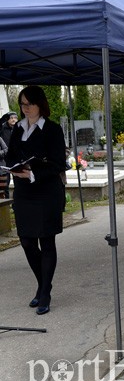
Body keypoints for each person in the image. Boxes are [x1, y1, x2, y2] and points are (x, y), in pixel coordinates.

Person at [6, 87, 66, 315]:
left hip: (46, 191)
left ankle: (45, 293)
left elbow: (59, 162)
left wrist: (33, 173)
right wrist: (14, 167)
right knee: (27, 241)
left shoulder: (52, 129)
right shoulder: (18, 128)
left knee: (46, 242)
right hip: (23, 192)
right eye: (22, 104)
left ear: (40, 104)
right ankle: (43, 284)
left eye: (29, 103)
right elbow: (11, 155)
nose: (25, 108)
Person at [0, 111, 18, 197]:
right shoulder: (3, 128)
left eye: (15, 118)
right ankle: (6, 203)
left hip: (16, 159)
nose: (13, 119)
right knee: (5, 184)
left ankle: (16, 203)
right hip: (5, 160)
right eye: (11, 118)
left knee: (17, 182)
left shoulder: (19, 128)